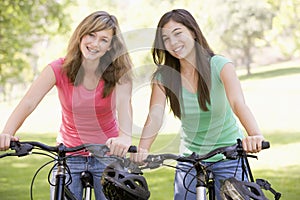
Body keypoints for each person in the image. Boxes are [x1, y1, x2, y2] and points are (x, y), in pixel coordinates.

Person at [131, 9, 265, 200]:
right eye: (166, 39)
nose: (173, 43)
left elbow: (238, 103)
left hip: (228, 155)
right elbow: (155, 116)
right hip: (189, 159)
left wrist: (255, 135)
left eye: (178, 33)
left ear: (193, 32)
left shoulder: (220, 65)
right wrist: (143, 149)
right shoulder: (163, 77)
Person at [0, 11, 133, 199]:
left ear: (111, 46)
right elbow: (28, 102)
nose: (95, 44)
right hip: (69, 155)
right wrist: (7, 132)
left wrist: (125, 137)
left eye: (104, 40)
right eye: (91, 35)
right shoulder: (58, 69)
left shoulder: (120, 73)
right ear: (81, 35)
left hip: (107, 154)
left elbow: (125, 107)